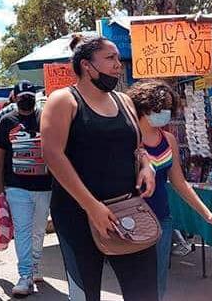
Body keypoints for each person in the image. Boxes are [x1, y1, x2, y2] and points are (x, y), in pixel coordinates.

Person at [40, 34, 158, 301]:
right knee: (85, 292)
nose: (118, 64)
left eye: (118, 58)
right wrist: (91, 206)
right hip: (77, 215)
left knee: (144, 291)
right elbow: (53, 154)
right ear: (86, 65)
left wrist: (146, 165)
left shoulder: (125, 102)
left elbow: (137, 146)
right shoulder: (63, 101)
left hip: (127, 210)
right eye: (110, 58)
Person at [128, 79, 212, 299]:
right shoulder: (126, 137)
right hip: (131, 221)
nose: (165, 113)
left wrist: (208, 214)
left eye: (168, 108)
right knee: (135, 284)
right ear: (144, 106)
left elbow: (179, 182)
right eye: (161, 108)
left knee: (157, 283)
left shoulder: (168, 139)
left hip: (161, 220)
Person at [0, 80, 52, 296]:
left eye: (29, 95)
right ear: (15, 98)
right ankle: (25, 275)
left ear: (35, 96)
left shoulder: (46, 118)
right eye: (21, 96)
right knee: (23, 231)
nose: (26, 99)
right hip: (16, 186)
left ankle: (35, 265)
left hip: (45, 185)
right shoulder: (7, 121)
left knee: (38, 230)